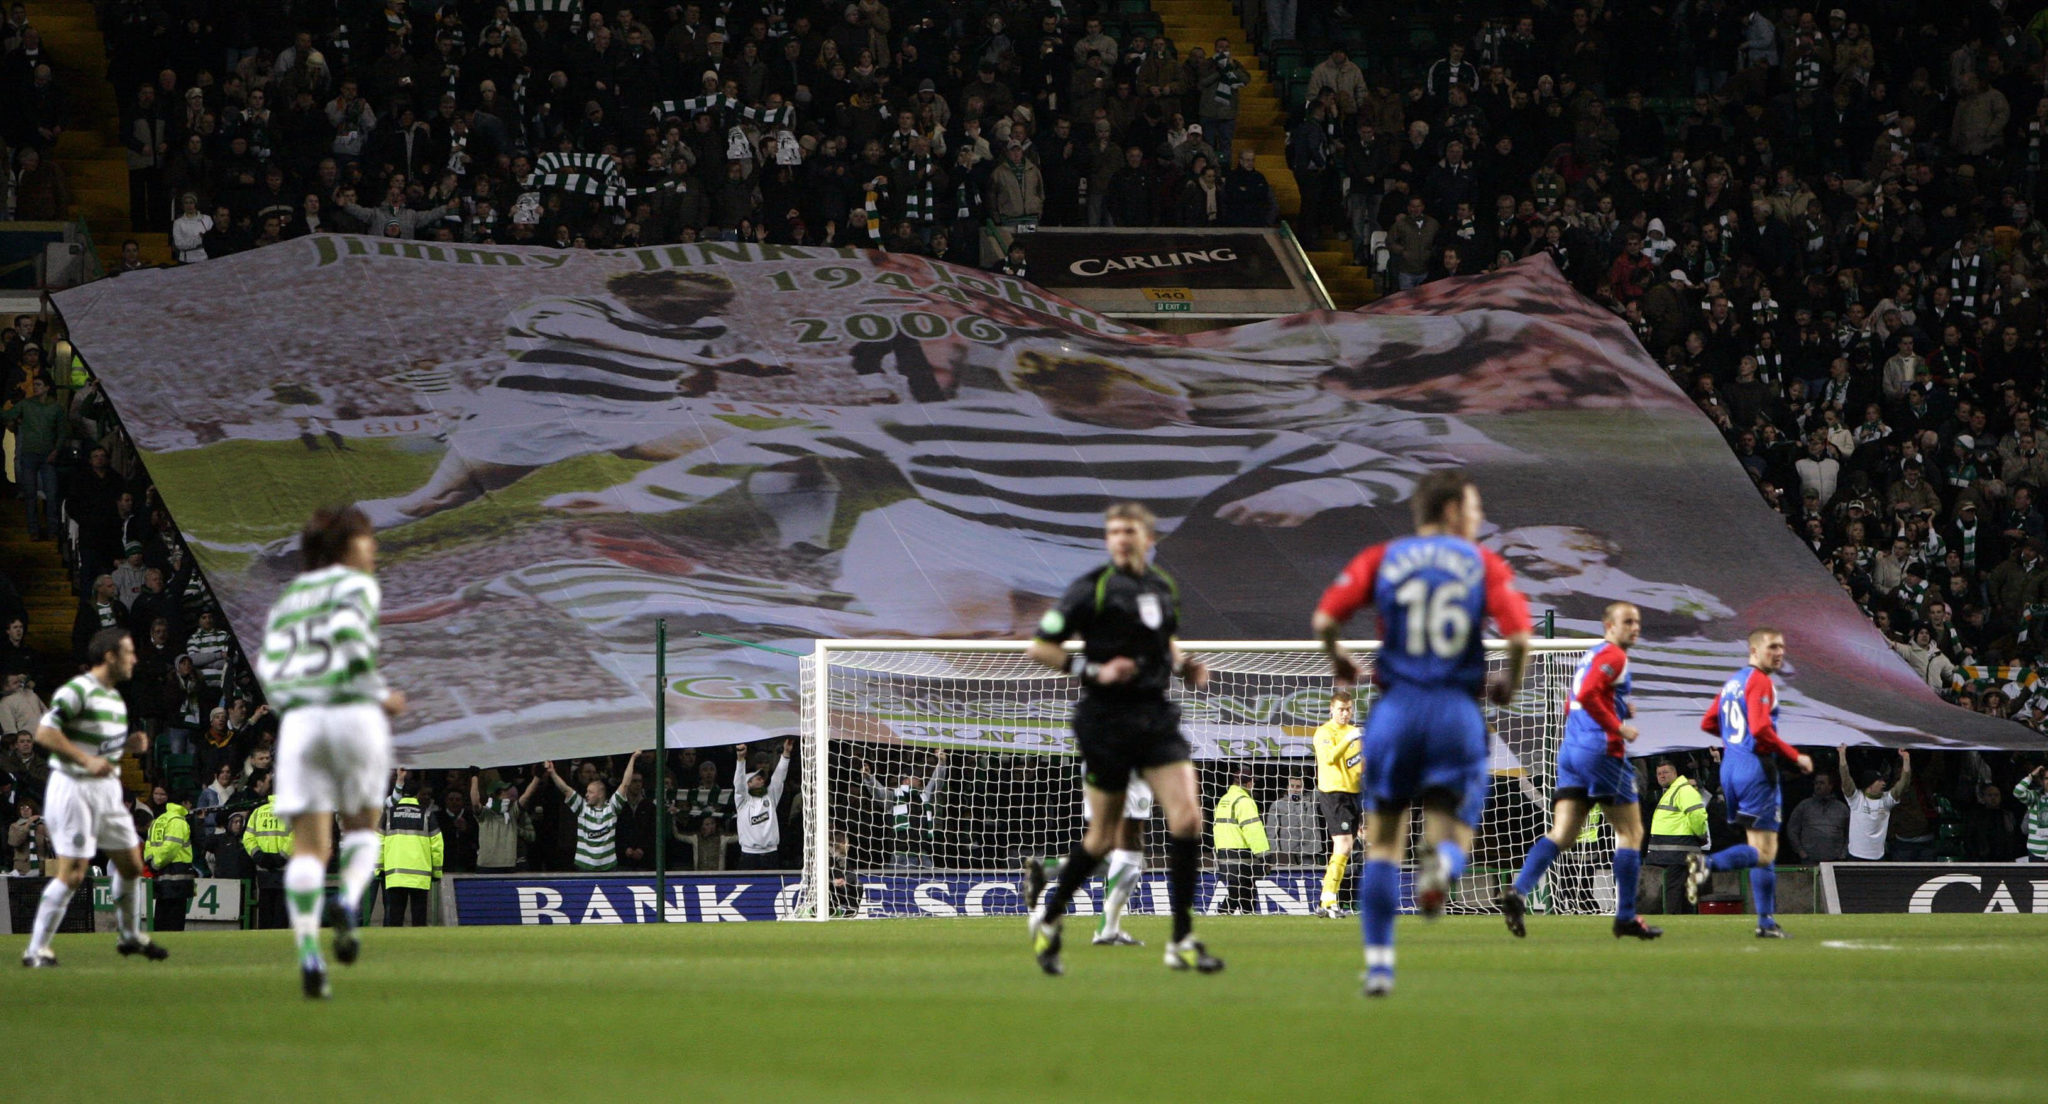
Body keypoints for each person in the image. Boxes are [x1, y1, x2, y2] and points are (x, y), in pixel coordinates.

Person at [1312, 470, 1532, 997]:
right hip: (1455, 712)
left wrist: (1340, 658)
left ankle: (1380, 966)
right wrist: (1508, 683)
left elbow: (1325, 618)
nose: (1478, 519)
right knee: (1454, 831)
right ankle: (1443, 868)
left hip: (1395, 713)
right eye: (1475, 508)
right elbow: (1520, 635)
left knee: (1384, 844)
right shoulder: (1481, 563)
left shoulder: (1382, 557)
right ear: (1454, 510)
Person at [1023, 502, 1222, 976]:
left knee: (1189, 820)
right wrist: (1092, 668)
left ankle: (1181, 938)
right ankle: (1050, 919)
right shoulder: (1090, 588)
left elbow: (1164, 639)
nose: (1120, 539)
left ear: (1149, 537)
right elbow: (1039, 646)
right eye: (1113, 532)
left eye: (1129, 531)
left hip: (1155, 716)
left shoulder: (1162, 586)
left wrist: (1185, 662)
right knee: (1102, 838)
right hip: (1105, 719)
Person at [255, 505, 407, 997]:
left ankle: (308, 952)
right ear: (346, 546)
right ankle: (348, 901)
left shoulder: (289, 598)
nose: (375, 548)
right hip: (352, 714)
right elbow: (351, 642)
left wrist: (295, 708)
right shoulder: (356, 586)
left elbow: (269, 668)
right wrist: (379, 694)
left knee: (309, 849)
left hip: (300, 724)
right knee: (362, 825)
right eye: (368, 539)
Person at [1500, 602, 1662, 939]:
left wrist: (1619, 707)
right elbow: (1588, 695)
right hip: (1600, 752)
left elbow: (1573, 700)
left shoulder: (1590, 656)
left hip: (1571, 753)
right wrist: (1617, 725)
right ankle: (1626, 917)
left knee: (1562, 834)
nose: (1635, 627)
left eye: (1638, 622)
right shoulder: (1615, 656)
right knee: (1630, 834)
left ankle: (1518, 890)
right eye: (1628, 621)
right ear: (1608, 625)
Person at [19, 627, 169, 966]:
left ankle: (129, 936)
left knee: (131, 862)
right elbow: (46, 731)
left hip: (105, 791)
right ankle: (36, 949)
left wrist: (125, 746)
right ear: (110, 656)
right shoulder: (79, 689)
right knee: (73, 872)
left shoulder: (114, 698)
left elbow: (98, 747)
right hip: (74, 787)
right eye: (129, 652)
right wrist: (85, 759)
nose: (135, 658)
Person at [1685, 629, 1814, 938]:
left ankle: (1765, 922)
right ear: (1754, 651)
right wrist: (1795, 756)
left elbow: (1707, 722)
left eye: (1782, 646)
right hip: (1755, 769)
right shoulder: (1760, 681)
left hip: (1731, 767)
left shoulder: (1733, 682)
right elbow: (1760, 728)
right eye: (1772, 647)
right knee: (1766, 851)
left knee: (1759, 847)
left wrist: (1734, 739)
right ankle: (1708, 864)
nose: (1780, 652)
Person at [545, 751, 640, 871]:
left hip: (608, 867)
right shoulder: (582, 808)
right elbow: (565, 789)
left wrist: (633, 758)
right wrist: (552, 772)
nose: (586, 795)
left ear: (600, 794)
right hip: (583, 867)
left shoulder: (612, 808)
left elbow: (625, 784)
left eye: (590, 792)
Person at [1312, 692, 1363, 917]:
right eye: (1341, 709)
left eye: (1348, 709)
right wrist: (1349, 739)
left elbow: (1359, 764)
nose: (1345, 713)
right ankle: (1329, 899)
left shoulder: (1354, 733)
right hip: (1333, 793)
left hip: (1354, 795)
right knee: (1342, 845)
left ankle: (1327, 899)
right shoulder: (1324, 732)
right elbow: (1330, 758)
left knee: (1346, 848)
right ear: (1331, 710)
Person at [859, 751, 948, 867]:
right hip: (900, 856)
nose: (920, 779)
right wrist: (868, 778)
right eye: (916, 776)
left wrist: (942, 763)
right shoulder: (893, 797)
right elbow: (878, 792)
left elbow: (936, 783)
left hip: (923, 855)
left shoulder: (923, 796)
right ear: (906, 780)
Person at [1643, 758, 1707, 913]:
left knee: (1674, 890)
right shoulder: (1673, 791)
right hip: (1674, 851)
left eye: (1665, 772)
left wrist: (1701, 835)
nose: (1662, 776)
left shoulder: (1683, 790)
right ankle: (1683, 921)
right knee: (1679, 889)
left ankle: (1674, 921)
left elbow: (1697, 815)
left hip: (1678, 851)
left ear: (1675, 773)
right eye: (1659, 773)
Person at [1212, 767, 1269, 914]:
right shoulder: (1244, 802)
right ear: (1249, 783)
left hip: (1224, 852)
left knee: (1241, 889)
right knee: (1241, 890)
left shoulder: (1224, 800)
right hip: (1241, 854)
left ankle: (1243, 916)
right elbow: (1253, 830)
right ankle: (1224, 912)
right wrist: (1264, 855)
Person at [1838, 744, 1910, 861]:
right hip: (1855, 856)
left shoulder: (1887, 800)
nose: (1883, 783)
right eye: (1879, 781)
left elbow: (1904, 784)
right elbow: (1846, 778)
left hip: (1878, 857)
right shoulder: (1856, 799)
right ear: (1869, 785)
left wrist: (1906, 759)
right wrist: (1842, 754)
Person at [240, 772, 293, 930]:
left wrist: (258, 856)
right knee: (281, 916)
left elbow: (248, 838)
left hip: (263, 870)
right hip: (284, 869)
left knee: (265, 913)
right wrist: (281, 857)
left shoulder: (258, 812)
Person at [733, 739, 792, 869]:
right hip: (749, 855)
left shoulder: (770, 796)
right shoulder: (742, 801)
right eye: (758, 778)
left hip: (771, 854)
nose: (762, 780)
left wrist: (786, 753)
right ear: (748, 783)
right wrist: (741, 759)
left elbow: (778, 778)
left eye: (762, 778)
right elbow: (739, 783)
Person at [143, 786, 196, 930]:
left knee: (161, 917)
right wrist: (157, 863)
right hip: (177, 878)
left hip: (160, 876)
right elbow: (171, 848)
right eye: (190, 803)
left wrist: (152, 863)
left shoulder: (158, 820)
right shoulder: (178, 821)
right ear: (184, 803)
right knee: (175, 922)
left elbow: (148, 845)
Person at [1784, 768, 1849, 863]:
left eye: (1822, 783)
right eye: (1816, 783)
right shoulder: (1804, 806)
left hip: (1835, 860)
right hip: (1809, 859)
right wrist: (1800, 851)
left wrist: (1843, 853)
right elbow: (1792, 829)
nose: (1818, 786)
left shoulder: (1842, 808)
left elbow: (1851, 833)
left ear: (1830, 785)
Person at [2014, 767, 2048, 862]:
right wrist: (2031, 776)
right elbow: (2018, 792)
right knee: (2036, 877)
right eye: (2046, 778)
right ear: (2042, 781)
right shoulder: (2034, 796)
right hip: (2036, 850)